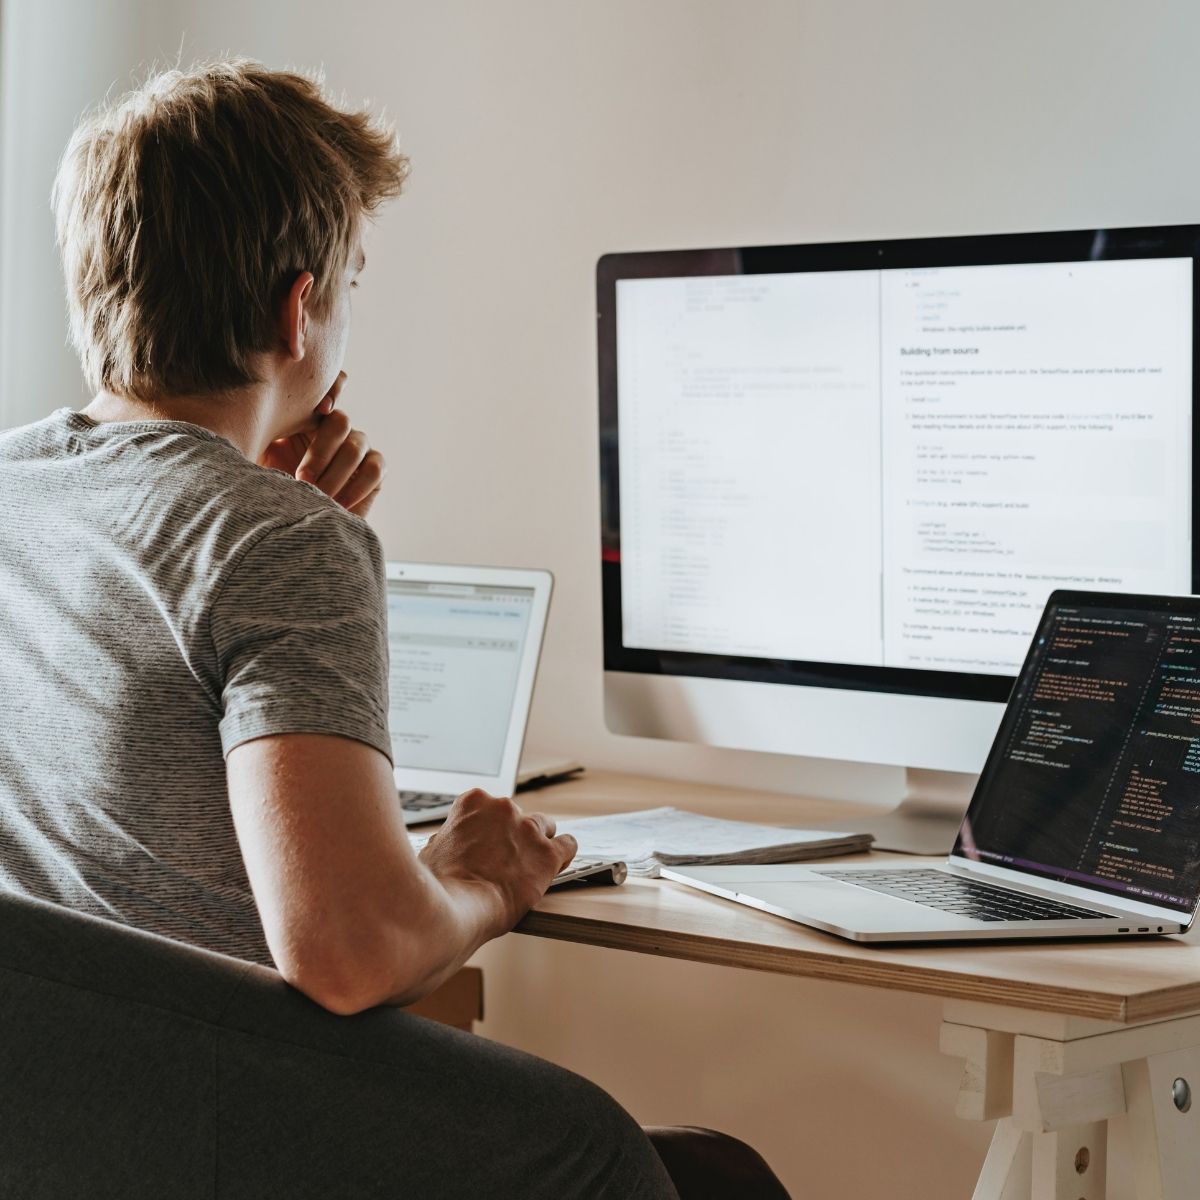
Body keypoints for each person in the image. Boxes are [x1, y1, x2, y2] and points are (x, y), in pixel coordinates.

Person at [0, 59, 789, 1199]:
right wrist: (479, 883)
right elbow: (349, 950)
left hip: (54, 1129)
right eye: (352, 284)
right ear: (298, 310)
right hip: (210, 1124)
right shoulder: (275, 540)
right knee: (626, 1155)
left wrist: (280, 528)